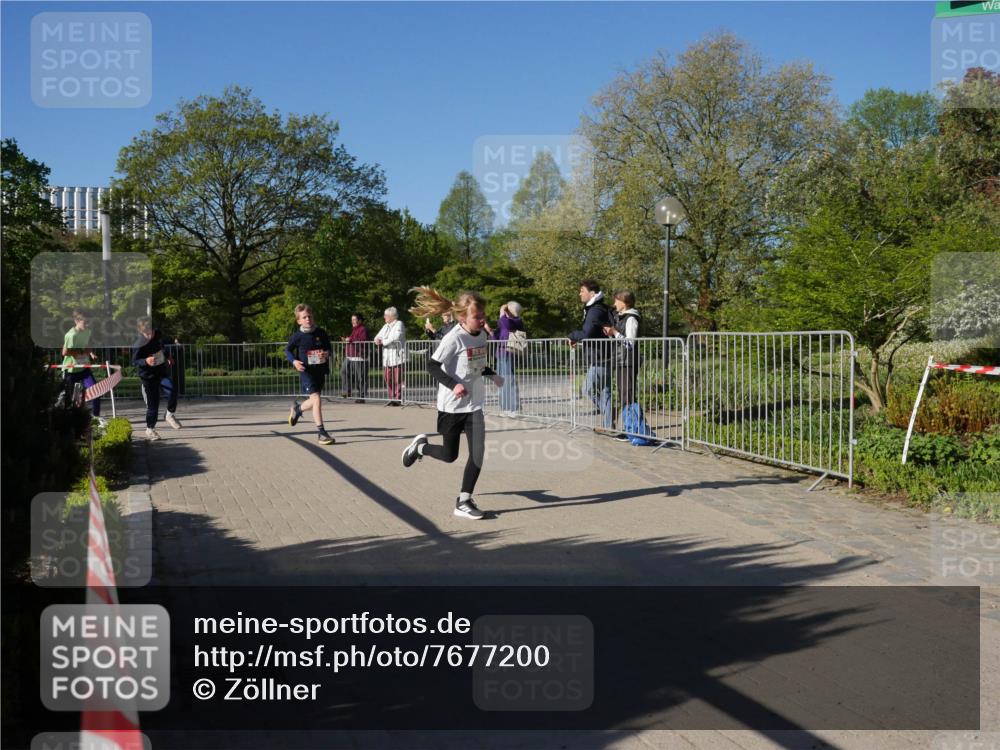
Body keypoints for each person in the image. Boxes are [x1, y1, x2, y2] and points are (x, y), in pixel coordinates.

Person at [401, 287, 504, 520]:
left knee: (478, 453)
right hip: (451, 407)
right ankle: (420, 447)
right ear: (462, 317)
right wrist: (453, 385)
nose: (482, 320)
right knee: (450, 455)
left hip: (474, 405)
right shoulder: (453, 338)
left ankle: (464, 501)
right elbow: (432, 365)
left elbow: (475, 364)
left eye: (483, 315)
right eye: (477, 317)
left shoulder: (482, 335)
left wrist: (492, 374)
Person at [285, 304, 335, 445]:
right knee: (317, 400)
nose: (308, 319)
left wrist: (327, 353)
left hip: (320, 371)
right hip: (306, 372)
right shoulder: (297, 337)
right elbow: (287, 350)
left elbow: (328, 348)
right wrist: (294, 361)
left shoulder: (321, 333)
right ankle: (322, 433)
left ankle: (297, 409)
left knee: (314, 401)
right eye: (304, 317)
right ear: (299, 321)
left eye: (310, 316)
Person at [568, 279, 613, 430]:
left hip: (600, 357)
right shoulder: (597, 308)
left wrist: (572, 335)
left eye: (582, 290)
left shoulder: (595, 310)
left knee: (587, 390)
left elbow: (587, 333)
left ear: (592, 293)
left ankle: (609, 416)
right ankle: (609, 424)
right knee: (605, 391)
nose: (579, 293)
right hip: (603, 355)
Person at [131, 317, 182, 441]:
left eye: (151, 332)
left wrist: (168, 356)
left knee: (172, 389)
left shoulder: (158, 335)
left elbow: (161, 347)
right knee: (153, 405)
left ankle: (169, 414)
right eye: (146, 334)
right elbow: (134, 361)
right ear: (141, 332)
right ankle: (150, 429)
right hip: (148, 376)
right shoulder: (139, 343)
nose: (149, 335)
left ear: (154, 330)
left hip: (160, 372)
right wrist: (145, 361)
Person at [603, 290, 641, 441]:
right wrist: (612, 333)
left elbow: (630, 343)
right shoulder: (622, 318)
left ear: (624, 302)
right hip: (621, 361)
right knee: (624, 395)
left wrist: (615, 333)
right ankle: (628, 428)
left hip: (628, 362)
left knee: (627, 395)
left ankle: (630, 429)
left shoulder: (631, 318)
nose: (614, 304)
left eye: (616, 301)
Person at [61, 310, 105, 426]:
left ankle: (96, 418)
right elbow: (64, 352)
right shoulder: (71, 335)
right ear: (76, 321)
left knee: (96, 391)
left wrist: (90, 353)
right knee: (70, 398)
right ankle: (68, 421)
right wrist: (79, 352)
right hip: (71, 370)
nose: (88, 325)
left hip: (84, 368)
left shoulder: (87, 331)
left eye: (89, 322)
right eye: (85, 322)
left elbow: (86, 345)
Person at [493, 301, 526, 414]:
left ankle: (514, 408)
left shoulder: (517, 321)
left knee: (509, 380)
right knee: (501, 381)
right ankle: (505, 407)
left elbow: (506, 323)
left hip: (509, 353)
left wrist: (504, 312)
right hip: (501, 354)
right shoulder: (505, 323)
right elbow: (496, 336)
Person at [374, 307, 406, 406]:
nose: (384, 317)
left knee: (398, 379)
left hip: (397, 356)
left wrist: (383, 342)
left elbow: (395, 337)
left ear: (392, 316)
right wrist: (377, 340)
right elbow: (377, 336)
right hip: (387, 357)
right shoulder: (386, 326)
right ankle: (391, 397)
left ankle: (398, 398)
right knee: (387, 378)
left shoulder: (399, 324)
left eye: (386, 315)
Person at [341, 313, 370, 403]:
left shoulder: (362, 329)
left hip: (359, 357)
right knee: (344, 371)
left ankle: (361, 396)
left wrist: (350, 340)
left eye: (354, 319)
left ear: (360, 320)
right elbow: (352, 340)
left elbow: (363, 341)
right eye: (352, 320)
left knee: (360, 377)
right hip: (350, 356)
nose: (353, 321)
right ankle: (347, 391)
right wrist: (348, 340)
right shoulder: (354, 330)